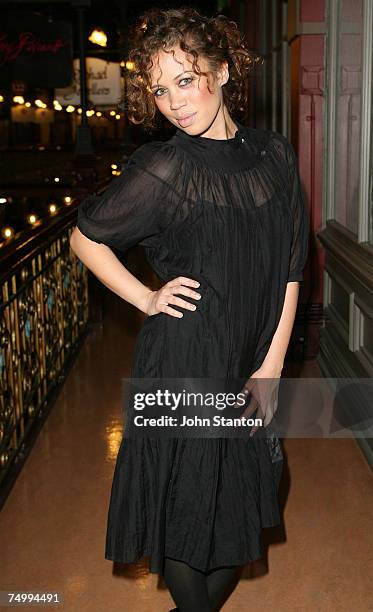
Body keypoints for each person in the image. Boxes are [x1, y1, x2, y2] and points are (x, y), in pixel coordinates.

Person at [69, 6, 309, 611]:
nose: (173, 102)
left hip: (252, 357)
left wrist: (272, 366)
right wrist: (148, 296)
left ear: (223, 71)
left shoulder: (276, 156)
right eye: (158, 88)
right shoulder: (164, 165)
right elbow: (85, 237)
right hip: (185, 358)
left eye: (185, 78)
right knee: (188, 505)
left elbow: (290, 268)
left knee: (242, 507)